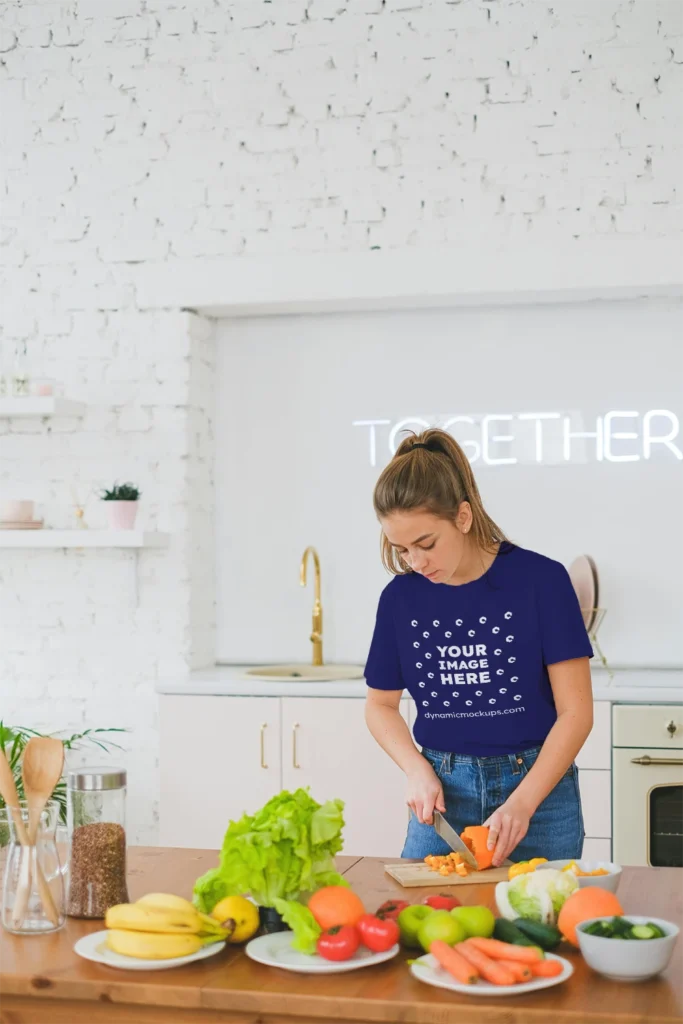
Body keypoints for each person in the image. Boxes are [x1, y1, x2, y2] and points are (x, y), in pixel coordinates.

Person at [364, 428, 593, 867]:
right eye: (402, 549)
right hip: (444, 794)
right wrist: (415, 769)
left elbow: (577, 713)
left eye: (426, 544)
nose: (415, 562)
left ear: (463, 517)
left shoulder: (541, 581)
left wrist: (523, 804)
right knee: (428, 926)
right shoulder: (400, 599)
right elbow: (380, 706)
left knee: (540, 925)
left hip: (539, 793)